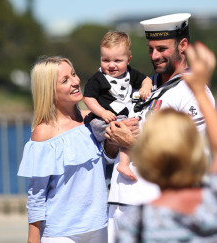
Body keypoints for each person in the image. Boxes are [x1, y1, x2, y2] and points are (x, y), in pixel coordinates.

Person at [116, 42, 217, 242]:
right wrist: (200, 90)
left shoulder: (135, 224)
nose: (154, 56)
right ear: (195, 151)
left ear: (149, 160)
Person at [105, 13, 215, 242]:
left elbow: (189, 159)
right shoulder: (140, 85)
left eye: (162, 49)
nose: (155, 56)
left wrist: (132, 143)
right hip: (117, 205)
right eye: (150, 49)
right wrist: (112, 140)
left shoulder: (194, 92)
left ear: (183, 45)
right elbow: (110, 151)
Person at [17, 56, 137, 243]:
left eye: (73, 74)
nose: (75, 81)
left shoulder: (93, 121)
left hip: (100, 226)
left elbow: (106, 165)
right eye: (65, 80)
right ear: (50, 90)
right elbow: (36, 194)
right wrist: (33, 238)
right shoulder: (44, 133)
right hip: (61, 233)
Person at [84, 31, 152, 181]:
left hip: (120, 119)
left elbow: (146, 79)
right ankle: (124, 164)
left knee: (131, 126)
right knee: (127, 129)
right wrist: (102, 112)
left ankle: (120, 165)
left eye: (118, 60)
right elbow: (88, 97)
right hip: (102, 123)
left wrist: (146, 87)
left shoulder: (130, 74)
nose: (112, 65)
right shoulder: (98, 78)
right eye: (106, 60)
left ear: (128, 59)